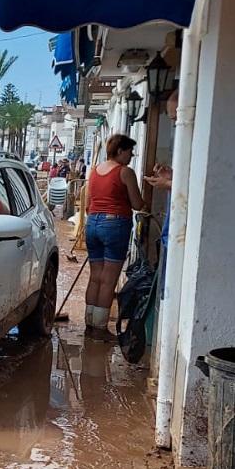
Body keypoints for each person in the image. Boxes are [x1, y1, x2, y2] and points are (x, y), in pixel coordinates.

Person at [84, 134, 146, 335]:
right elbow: (137, 204)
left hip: (92, 223)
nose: (132, 155)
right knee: (109, 279)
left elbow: (87, 204)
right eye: (130, 151)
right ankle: (100, 329)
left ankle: (90, 323)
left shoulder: (94, 171)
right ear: (120, 151)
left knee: (95, 277)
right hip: (115, 225)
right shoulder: (125, 172)